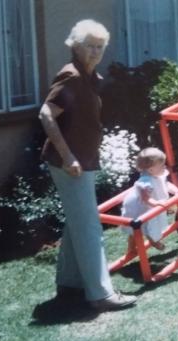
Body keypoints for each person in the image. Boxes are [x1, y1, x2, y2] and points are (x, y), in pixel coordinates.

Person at [38, 19, 136, 311]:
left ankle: (69, 283)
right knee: (90, 226)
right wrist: (68, 156)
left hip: (82, 161)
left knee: (78, 222)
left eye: (99, 46)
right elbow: (46, 113)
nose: (94, 51)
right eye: (89, 46)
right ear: (75, 46)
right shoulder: (72, 76)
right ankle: (101, 294)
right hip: (70, 163)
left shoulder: (89, 77)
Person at [121, 147, 178, 252]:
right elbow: (145, 198)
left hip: (147, 205)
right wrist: (157, 203)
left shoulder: (158, 175)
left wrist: (176, 191)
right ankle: (150, 242)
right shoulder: (145, 181)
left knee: (141, 228)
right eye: (162, 165)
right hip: (138, 207)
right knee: (138, 228)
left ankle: (135, 246)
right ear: (151, 169)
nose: (165, 167)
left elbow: (166, 184)